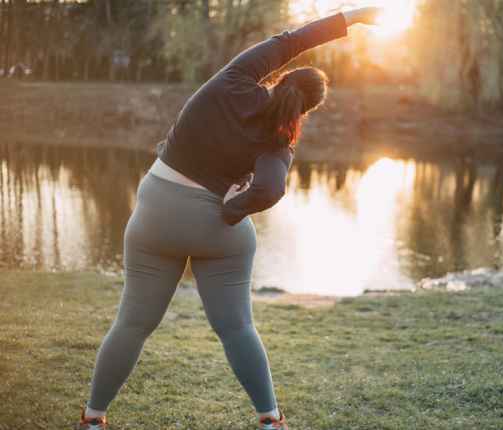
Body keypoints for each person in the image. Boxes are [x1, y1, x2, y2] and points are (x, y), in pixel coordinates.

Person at [75, 7, 381, 430]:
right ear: (305, 111)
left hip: (155, 215)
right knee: (237, 328)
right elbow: (271, 190)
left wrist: (353, 17)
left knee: (132, 322)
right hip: (215, 228)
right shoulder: (280, 142)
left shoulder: (232, 80)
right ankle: (270, 420)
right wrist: (232, 209)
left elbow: (292, 40)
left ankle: (93, 417)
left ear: (279, 77)